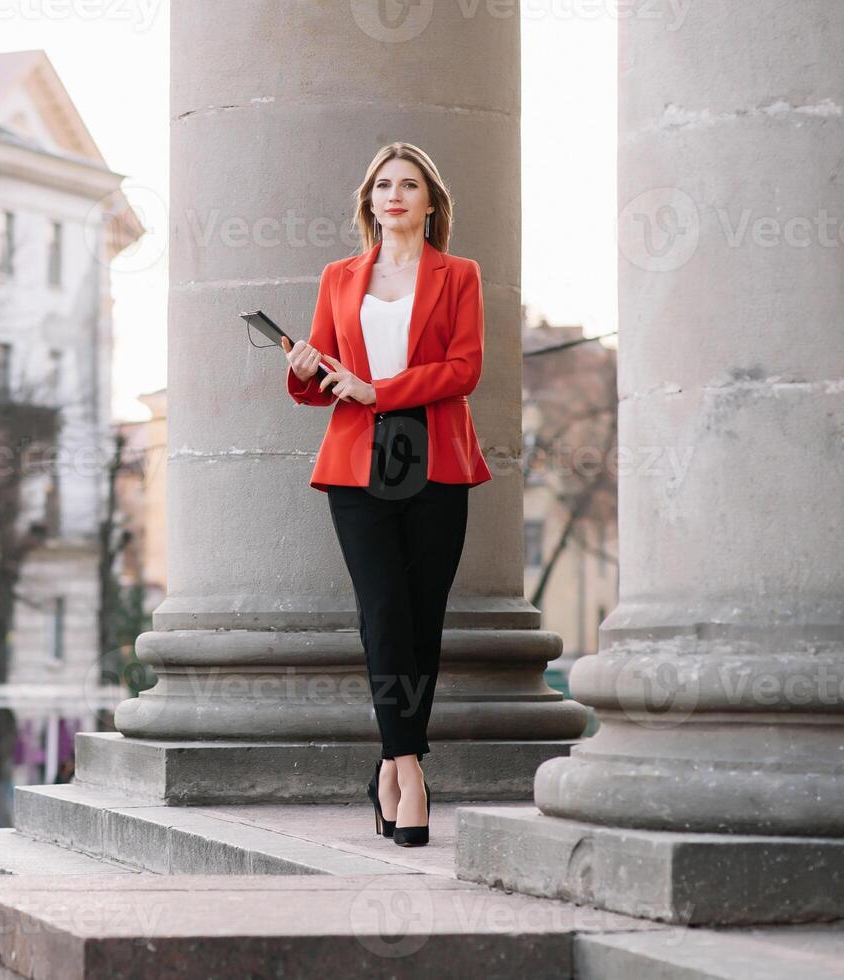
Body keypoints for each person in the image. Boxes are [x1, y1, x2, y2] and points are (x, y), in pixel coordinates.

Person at [280, 142, 491, 848]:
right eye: (381, 185)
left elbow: (464, 368)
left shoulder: (458, 275)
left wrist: (383, 390)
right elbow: (315, 378)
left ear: (430, 203)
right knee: (381, 612)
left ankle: (387, 767)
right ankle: (407, 769)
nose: (392, 195)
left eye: (408, 185)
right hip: (355, 465)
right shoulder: (339, 277)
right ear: (368, 202)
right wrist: (308, 367)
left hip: (437, 460)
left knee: (420, 618)